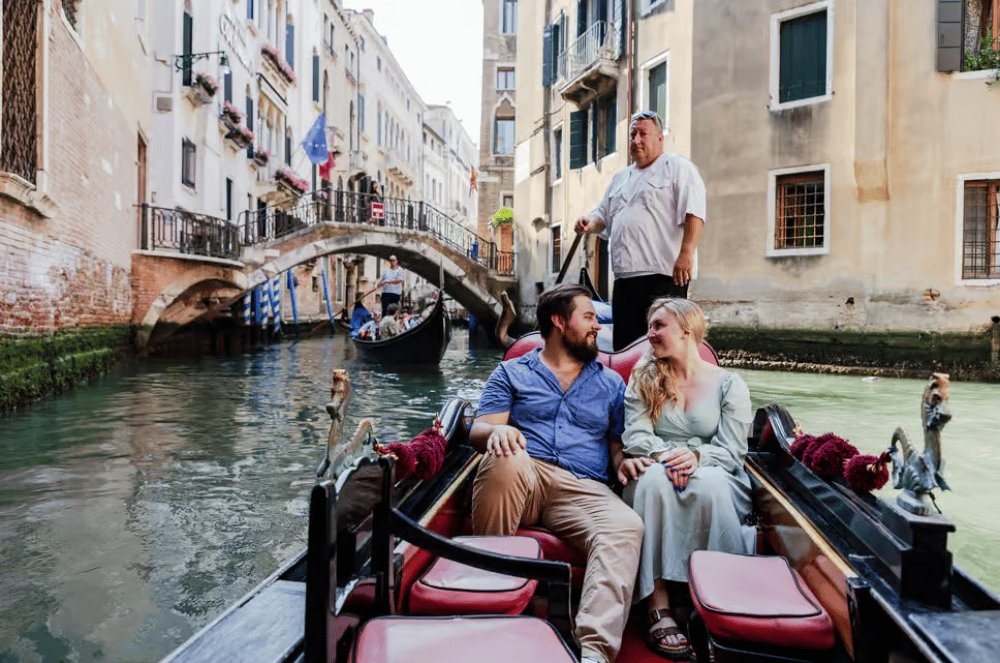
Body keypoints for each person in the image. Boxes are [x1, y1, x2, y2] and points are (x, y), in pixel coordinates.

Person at [470, 283, 647, 663]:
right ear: (558, 321)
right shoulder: (511, 372)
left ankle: (595, 653)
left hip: (582, 488)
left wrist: (625, 464)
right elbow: (479, 431)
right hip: (522, 474)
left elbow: (616, 451)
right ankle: (490, 604)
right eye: (588, 317)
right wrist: (498, 430)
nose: (596, 325)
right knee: (506, 455)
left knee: (626, 526)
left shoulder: (611, 383)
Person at [620, 298, 755, 660]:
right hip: (656, 463)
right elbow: (635, 437)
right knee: (650, 483)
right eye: (649, 326)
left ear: (685, 330)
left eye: (658, 325)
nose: (650, 334)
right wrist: (668, 457)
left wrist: (696, 457)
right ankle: (657, 603)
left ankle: (717, 602)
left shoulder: (730, 385)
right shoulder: (642, 375)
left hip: (716, 469)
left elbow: (732, 452)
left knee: (709, 485)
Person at [574, 110, 707, 351]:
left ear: (659, 138)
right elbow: (603, 213)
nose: (636, 140)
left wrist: (686, 253)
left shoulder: (677, 167)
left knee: (663, 346)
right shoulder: (621, 177)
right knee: (626, 345)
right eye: (632, 134)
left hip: (663, 278)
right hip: (624, 280)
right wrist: (589, 221)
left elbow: (694, 212)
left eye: (643, 134)